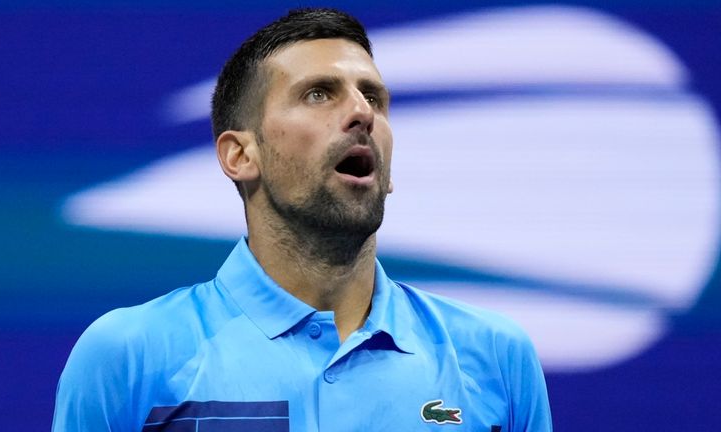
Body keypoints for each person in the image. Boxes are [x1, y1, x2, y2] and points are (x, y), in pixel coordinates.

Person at [52, 8, 552, 431]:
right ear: (241, 155)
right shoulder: (128, 357)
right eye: (319, 94)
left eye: (373, 97)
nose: (362, 114)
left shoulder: (495, 355)